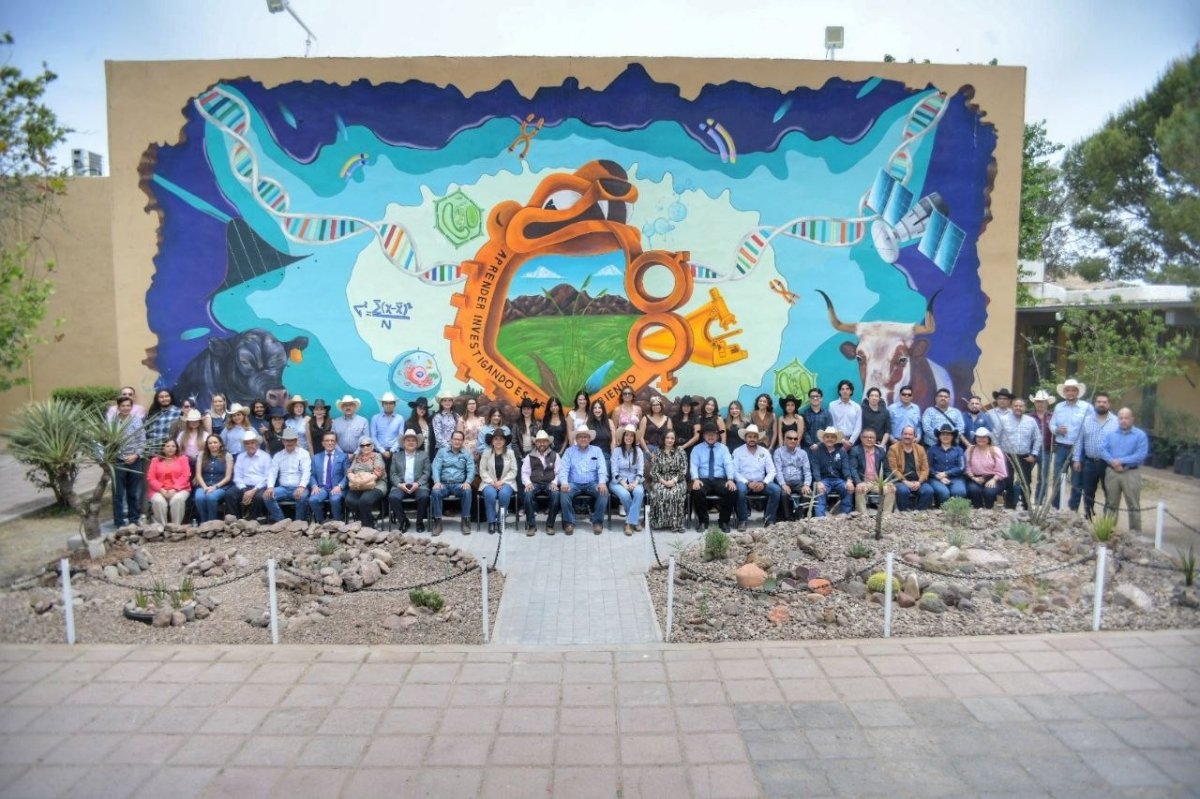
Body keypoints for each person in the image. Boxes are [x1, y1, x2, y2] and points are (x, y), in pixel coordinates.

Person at [1100, 408, 1149, 533]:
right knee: (1111, 503)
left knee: (1133, 503)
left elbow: (1140, 455)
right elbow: (1103, 450)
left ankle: (1135, 532)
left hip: (1131, 473)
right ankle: (1108, 530)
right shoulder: (1110, 434)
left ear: (1132, 419)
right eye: (1121, 418)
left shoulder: (1140, 435)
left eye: (1126, 418)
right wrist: (1113, 462)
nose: (1123, 420)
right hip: (1112, 473)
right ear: (1118, 419)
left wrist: (1120, 461)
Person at [1050, 378, 1092, 511]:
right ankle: (1055, 507)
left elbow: (1093, 424)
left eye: (1073, 390)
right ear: (1064, 392)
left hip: (1078, 448)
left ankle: (1073, 509)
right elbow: (1051, 424)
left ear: (1077, 392)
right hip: (1061, 447)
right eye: (1068, 390)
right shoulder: (1058, 407)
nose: (1070, 392)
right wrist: (1057, 430)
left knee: (1077, 480)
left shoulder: (1087, 407)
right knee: (1057, 477)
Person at [559, 426, 610, 535]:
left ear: (590, 438)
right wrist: (564, 482)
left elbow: (602, 468)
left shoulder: (597, 450)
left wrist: (602, 482)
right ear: (576, 439)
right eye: (580, 437)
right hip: (574, 483)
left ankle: (597, 522)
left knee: (604, 492)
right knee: (564, 494)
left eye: (586, 436)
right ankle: (569, 522)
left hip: (592, 483)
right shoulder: (569, 451)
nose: (583, 439)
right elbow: (563, 469)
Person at [1073, 391, 1116, 520]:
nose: (1101, 404)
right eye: (1099, 402)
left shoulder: (1116, 421)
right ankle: (1088, 516)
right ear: (1094, 404)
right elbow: (1079, 441)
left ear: (1109, 404)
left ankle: (1107, 520)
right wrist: (1076, 459)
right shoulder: (1086, 421)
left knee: (1110, 492)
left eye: (1104, 402)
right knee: (1088, 491)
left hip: (1108, 464)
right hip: (1089, 462)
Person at [688, 421, 736, 532]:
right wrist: (695, 479)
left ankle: (724, 521)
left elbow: (728, 464)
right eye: (707, 434)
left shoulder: (724, 449)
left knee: (732, 490)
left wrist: (730, 479)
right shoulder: (697, 449)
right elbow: (694, 465)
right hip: (703, 479)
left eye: (713, 434)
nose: (710, 436)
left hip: (720, 479)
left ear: (718, 436)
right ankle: (703, 521)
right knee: (697, 490)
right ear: (703, 435)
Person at [731, 424, 780, 529]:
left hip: (761, 483)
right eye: (749, 436)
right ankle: (742, 520)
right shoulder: (737, 451)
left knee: (776, 490)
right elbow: (734, 471)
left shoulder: (765, 452)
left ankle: (769, 520)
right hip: (744, 482)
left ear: (758, 438)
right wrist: (747, 482)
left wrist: (764, 483)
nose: (752, 439)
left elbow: (772, 471)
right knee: (740, 490)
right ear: (745, 438)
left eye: (754, 437)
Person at [997, 396, 1041, 509]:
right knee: (1008, 481)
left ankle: (1027, 506)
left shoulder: (1031, 421)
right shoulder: (1003, 419)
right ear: (1011, 407)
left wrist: (1034, 454)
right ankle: (1009, 505)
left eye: (1021, 406)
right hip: (1008, 456)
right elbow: (996, 437)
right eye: (1016, 406)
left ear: (1025, 408)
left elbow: (1038, 438)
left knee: (1026, 482)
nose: (1018, 408)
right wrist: (1000, 454)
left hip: (1025, 456)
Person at [431, 430, 475, 535]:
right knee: (435, 491)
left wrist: (468, 482)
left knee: (467, 491)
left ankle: (465, 521)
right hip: (443, 484)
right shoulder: (442, 452)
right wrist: (436, 481)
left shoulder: (467, 453)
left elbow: (471, 469)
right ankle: (438, 522)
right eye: (455, 439)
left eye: (459, 440)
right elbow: (436, 467)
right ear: (451, 440)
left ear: (463, 441)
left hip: (458, 484)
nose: (457, 441)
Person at [388, 428, 431, 533]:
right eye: (408, 440)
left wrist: (418, 483)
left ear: (417, 443)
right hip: (401, 485)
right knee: (393, 497)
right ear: (404, 443)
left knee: (424, 497)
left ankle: (419, 522)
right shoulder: (396, 456)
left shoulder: (423, 455)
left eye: (413, 440)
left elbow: (427, 472)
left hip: (419, 485)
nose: (411, 442)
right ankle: (403, 521)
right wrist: (400, 484)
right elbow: (393, 474)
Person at [263, 428, 311, 522]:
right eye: (287, 440)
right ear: (283, 441)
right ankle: (282, 522)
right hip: (283, 488)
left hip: (298, 487)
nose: (289, 442)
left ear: (296, 441)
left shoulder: (304, 454)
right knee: (267, 496)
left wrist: (301, 487)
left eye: (292, 440)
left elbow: (306, 472)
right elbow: (272, 473)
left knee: (302, 496)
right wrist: (270, 487)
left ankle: (298, 523)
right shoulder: (278, 455)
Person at [111, 397, 146, 527]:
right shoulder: (112, 422)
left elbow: (142, 440)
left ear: (131, 407)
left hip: (135, 460)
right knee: (118, 493)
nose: (126, 408)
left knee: (133, 492)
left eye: (128, 405)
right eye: (123, 405)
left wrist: (135, 455)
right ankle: (119, 522)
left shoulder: (137, 420)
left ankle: (134, 519)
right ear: (118, 407)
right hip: (118, 461)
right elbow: (108, 442)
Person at [521, 430, 561, 535]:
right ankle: (531, 525)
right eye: (539, 441)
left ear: (548, 442)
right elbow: (524, 472)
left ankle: (550, 525)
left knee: (556, 494)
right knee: (527, 494)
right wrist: (528, 483)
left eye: (544, 441)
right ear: (536, 443)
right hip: (534, 482)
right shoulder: (529, 456)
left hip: (549, 482)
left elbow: (559, 472)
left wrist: (555, 482)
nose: (542, 444)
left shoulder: (555, 455)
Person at [479, 428, 518, 534]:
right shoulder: (486, 453)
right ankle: (491, 522)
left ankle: (501, 521)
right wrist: (492, 482)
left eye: (501, 439)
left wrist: (502, 482)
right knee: (490, 494)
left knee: (503, 495)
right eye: (496, 439)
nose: (498, 441)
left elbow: (513, 470)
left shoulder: (510, 453)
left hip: (507, 482)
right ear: (492, 441)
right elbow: (482, 470)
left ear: (505, 441)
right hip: (489, 482)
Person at [648, 428, 688, 532]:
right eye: (667, 438)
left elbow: (683, 469)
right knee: (660, 491)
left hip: (678, 480)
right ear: (663, 439)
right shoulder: (657, 452)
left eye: (672, 438)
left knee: (675, 492)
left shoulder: (680, 451)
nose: (670, 440)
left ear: (675, 440)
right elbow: (654, 471)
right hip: (660, 480)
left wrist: (674, 481)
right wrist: (664, 482)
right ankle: (660, 523)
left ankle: (676, 524)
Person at [849, 427, 896, 514]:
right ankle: (863, 516)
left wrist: (889, 482)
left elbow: (887, 469)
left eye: (871, 437)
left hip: (878, 482)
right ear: (861, 438)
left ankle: (887, 516)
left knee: (890, 489)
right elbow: (853, 469)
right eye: (866, 437)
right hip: (863, 481)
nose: (869, 439)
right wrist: (858, 482)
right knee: (859, 489)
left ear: (875, 439)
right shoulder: (855, 450)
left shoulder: (880, 451)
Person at [609, 424, 646, 535]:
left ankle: (628, 523)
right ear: (623, 437)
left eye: (631, 435)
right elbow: (614, 471)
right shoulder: (617, 451)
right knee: (625, 495)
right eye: (626, 435)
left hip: (635, 480)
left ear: (634, 438)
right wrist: (624, 484)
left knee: (639, 493)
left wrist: (635, 483)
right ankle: (635, 521)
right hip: (618, 482)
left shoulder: (639, 451)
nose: (629, 438)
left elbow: (640, 470)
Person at [887, 425, 933, 511]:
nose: (907, 436)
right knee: (903, 491)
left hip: (918, 481)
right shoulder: (893, 449)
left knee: (928, 490)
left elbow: (925, 469)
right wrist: (905, 482)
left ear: (914, 437)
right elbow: (894, 469)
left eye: (910, 434)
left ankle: (919, 513)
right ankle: (904, 513)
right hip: (901, 481)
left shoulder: (920, 449)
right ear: (901, 435)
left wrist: (919, 482)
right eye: (905, 434)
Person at [146, 439, 192, 525]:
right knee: (158, 501)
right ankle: (162, 527)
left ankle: (176, 527)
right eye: (167, 446)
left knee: (177, 500)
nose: (170, 448)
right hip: (158, 490)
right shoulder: (155, 460)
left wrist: (175, 488)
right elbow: (150, 478)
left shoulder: (183, 459)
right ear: (163, 449)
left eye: (173, 446)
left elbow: (186, 476)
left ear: (176, 448)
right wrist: (161, 489)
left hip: (180, 489)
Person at [811, 427, 854, 516]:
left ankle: (845, 515)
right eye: (827, 437)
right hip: (823, 480)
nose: (830, 439)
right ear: (823, 438)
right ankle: (820, 518)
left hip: (838, 479)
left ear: (836, 439)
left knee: (848, 488)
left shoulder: (842, 452)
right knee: (820, 490)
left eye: (832, 437)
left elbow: (846, 468)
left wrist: (849, 480)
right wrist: (818, 482)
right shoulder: (817, 451)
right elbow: (815, 468)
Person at [773, 425, 813, 520]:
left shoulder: (803, 453)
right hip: (785, 481)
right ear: (784, 439)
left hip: (798, 481)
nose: (793, 440)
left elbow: (807, 471)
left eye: (795, 439)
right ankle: (788, 517)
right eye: (790, 438)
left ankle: (799, 515)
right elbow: (778, 471)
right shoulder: (778, 452)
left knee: (808, 493)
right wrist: (783, 484)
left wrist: (806, 484)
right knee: (784, 494)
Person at [344, 436, 386, 526]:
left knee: (365, 500)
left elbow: (377, 475)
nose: (365, 447)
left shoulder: (377, 456)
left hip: (376, 485)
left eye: (368, 445)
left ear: (372, 446)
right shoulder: (357, 457)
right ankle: (366, 521)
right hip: (358, 485)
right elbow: (350, 471)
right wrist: (353, 479)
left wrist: (362, 482)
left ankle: (368, 527)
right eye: (362, 445)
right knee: (350, 500)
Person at [308, 431, 349, 523]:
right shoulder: (316, 457)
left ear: (335, 443)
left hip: (337, 487)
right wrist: (314, 485)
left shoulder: (343, 456)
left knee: (335, 499)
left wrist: (340, 486)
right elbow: (312, 475)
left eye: (332, 440)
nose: (330, 443)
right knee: (313, 500)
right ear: (323, 443)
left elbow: (347, 475)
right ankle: (322, 522)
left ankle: (338, 522)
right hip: (321, 488)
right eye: (327, 440)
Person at [231, 430, 271, 519]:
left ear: (257, 443)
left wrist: (254, 490)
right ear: (244, 445)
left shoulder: (265, 456)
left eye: (252, 443)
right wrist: (244, 489)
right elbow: (237, 476)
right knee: (230, 494)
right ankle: (236, 520)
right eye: (247, 443)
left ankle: (252, 520)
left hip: (260, 486)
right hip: (244, 486)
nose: (250, 445)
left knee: (259, 497)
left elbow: (267, 477)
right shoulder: (240, 457)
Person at [965, 428, 1007, 509]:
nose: (981, 439)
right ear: (975, 438)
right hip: (976, 477)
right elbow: (967, 467)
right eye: (978, 437)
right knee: (973, 490)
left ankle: (995, 504)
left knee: (989, 492)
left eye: (984, 437)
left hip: (994, 477)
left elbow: (1001, 470)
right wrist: (973, 478)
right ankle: (978, 508)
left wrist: (994, 480)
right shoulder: (970, 450)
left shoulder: (995, 450)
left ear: (989, 439)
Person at [193, 434, 232, 523]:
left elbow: (228, 477)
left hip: (220, 486)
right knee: (199, 497)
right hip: (204, 485)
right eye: (210, 443)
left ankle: (212, 523)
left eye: (215, 442)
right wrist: (204, 487)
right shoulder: (202, 455)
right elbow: (198, 474)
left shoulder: (227, 455)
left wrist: (215, 487)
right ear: (207, 445)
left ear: (220, 444)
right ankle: (203, 522)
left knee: (211, 497)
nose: (212, 445)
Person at [927, 424, 968, 506]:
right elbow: (928, 466)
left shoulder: (959, 450)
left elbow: (961, 467)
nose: (945, 436)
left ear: (952, 436)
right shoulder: (932, 449)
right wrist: (938, 476)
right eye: (943, 434)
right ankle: (941, 510)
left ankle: (956, 511)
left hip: (956, 478)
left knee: (960, 492)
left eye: (948, 434)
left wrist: (946, 473)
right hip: (937, 478)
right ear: (939, 436)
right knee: (943, 493)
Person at [1028, 390, 1056, 505]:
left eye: (1043, 401)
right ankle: (1024, 500)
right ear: (1034, 403)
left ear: (1047, 403)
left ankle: (1038, 502)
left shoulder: (1053, 417)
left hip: (1046, 451)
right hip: (1030, 451)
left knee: (1043, 478)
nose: (1040, 404)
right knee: (1024, 475)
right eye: (1038, 401)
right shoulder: (1028, 417)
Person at [143, 389, 181, 454]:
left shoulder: (178, 412)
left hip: (170, 452)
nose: (164, 399)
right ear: (157, 399)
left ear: (171, 398)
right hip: (153, 451)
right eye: (161, 397)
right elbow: (146, 432)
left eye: (167, 396)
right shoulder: (152, 413)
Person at [370, 391, 405, 463]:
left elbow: (401, 437)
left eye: (391, 403)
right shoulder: (375, 418)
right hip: (379, 452)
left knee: (394, 470)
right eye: (386, 403)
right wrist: (383, 451)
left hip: (395, 452)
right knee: (379, 470)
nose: (388, 406)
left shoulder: (400, 418)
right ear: (382, 405)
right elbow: (373, 437)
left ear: (395, 405)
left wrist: (391, 451)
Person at [829, 379, 863, 450]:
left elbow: (858, 427)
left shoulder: (856, 407)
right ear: (839, 391)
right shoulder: (832, 405)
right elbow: (832, 424)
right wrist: (842, 440)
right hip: (836, 440)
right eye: (842, 389)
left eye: (847, 389)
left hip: (853, 442)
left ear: (851, 391)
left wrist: (850, 442)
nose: (845, 391)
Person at [887, 385, 921, 449]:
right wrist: (892, 439)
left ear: (912, 396)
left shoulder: (916, 408)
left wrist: (918, 437)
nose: (906, 396)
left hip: (913, 443)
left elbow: (919, 425)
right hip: (896, 442)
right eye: (904, 394)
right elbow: (887, 426)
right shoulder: (892, 408)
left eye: (909, 395)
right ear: (900, 395)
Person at [511, 397, 543, 466]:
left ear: (532, 410)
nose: (526, 411)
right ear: (521, 410)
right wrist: (520, 457)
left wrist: (534, 454)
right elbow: (514, 442)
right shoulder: (516, 424)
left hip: (534, 455)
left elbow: (540, 442)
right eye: (524, 409)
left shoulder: (538, 424)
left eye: (528, 409)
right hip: (520, 455)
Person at [431, 392, 461, 457]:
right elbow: (438, 435)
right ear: (441, 403)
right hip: (442, 449)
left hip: (455, 448)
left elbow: (459, 432)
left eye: (449, 400)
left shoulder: (457, 416)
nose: (447, 402)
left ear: (452, 402)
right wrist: (449, 447)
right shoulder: (437, 416)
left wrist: (456, 445)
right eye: (445, 400)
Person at [459, 397, 485, 461]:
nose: (472, 406)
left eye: (473, 403)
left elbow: (484, 435)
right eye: (469, 404)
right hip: (466, 450)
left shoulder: (482, 419)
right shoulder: (461, 420)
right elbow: (459, 437)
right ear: (466, 406)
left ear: (476, 405)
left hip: (480, 449)